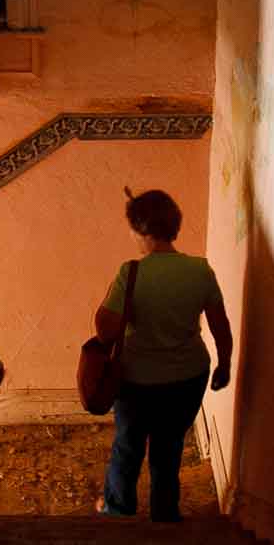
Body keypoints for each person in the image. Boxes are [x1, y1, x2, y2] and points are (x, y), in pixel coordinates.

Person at [92, 188, 233, 523]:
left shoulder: (131, 273)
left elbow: (104, 330)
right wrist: (224, 366)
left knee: (128, 445)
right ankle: (165, 515)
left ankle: (118, 509)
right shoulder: (201, 271)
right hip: (188, 378)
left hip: (136, 381)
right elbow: (220, 327)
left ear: (141, 231)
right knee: (168, 450)